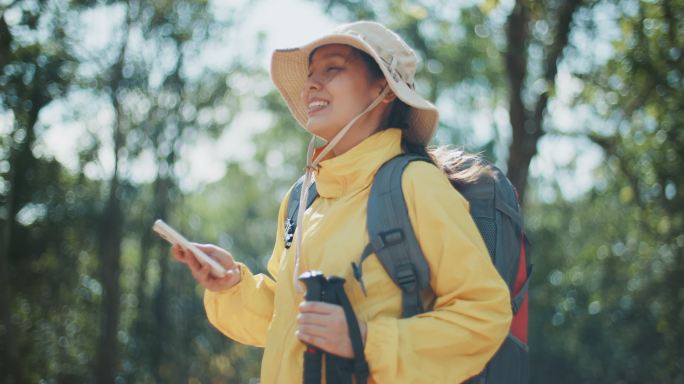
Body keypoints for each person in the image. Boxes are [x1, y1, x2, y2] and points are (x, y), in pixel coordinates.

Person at [171, 21, 512, 383]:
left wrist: (366, 340)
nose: (311, 85)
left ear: (383, 88)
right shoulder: (302, 198)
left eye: (332, 68)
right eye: (310, 74)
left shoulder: (416, 184)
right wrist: (231, 286)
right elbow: (287, 319)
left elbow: (485, 314)